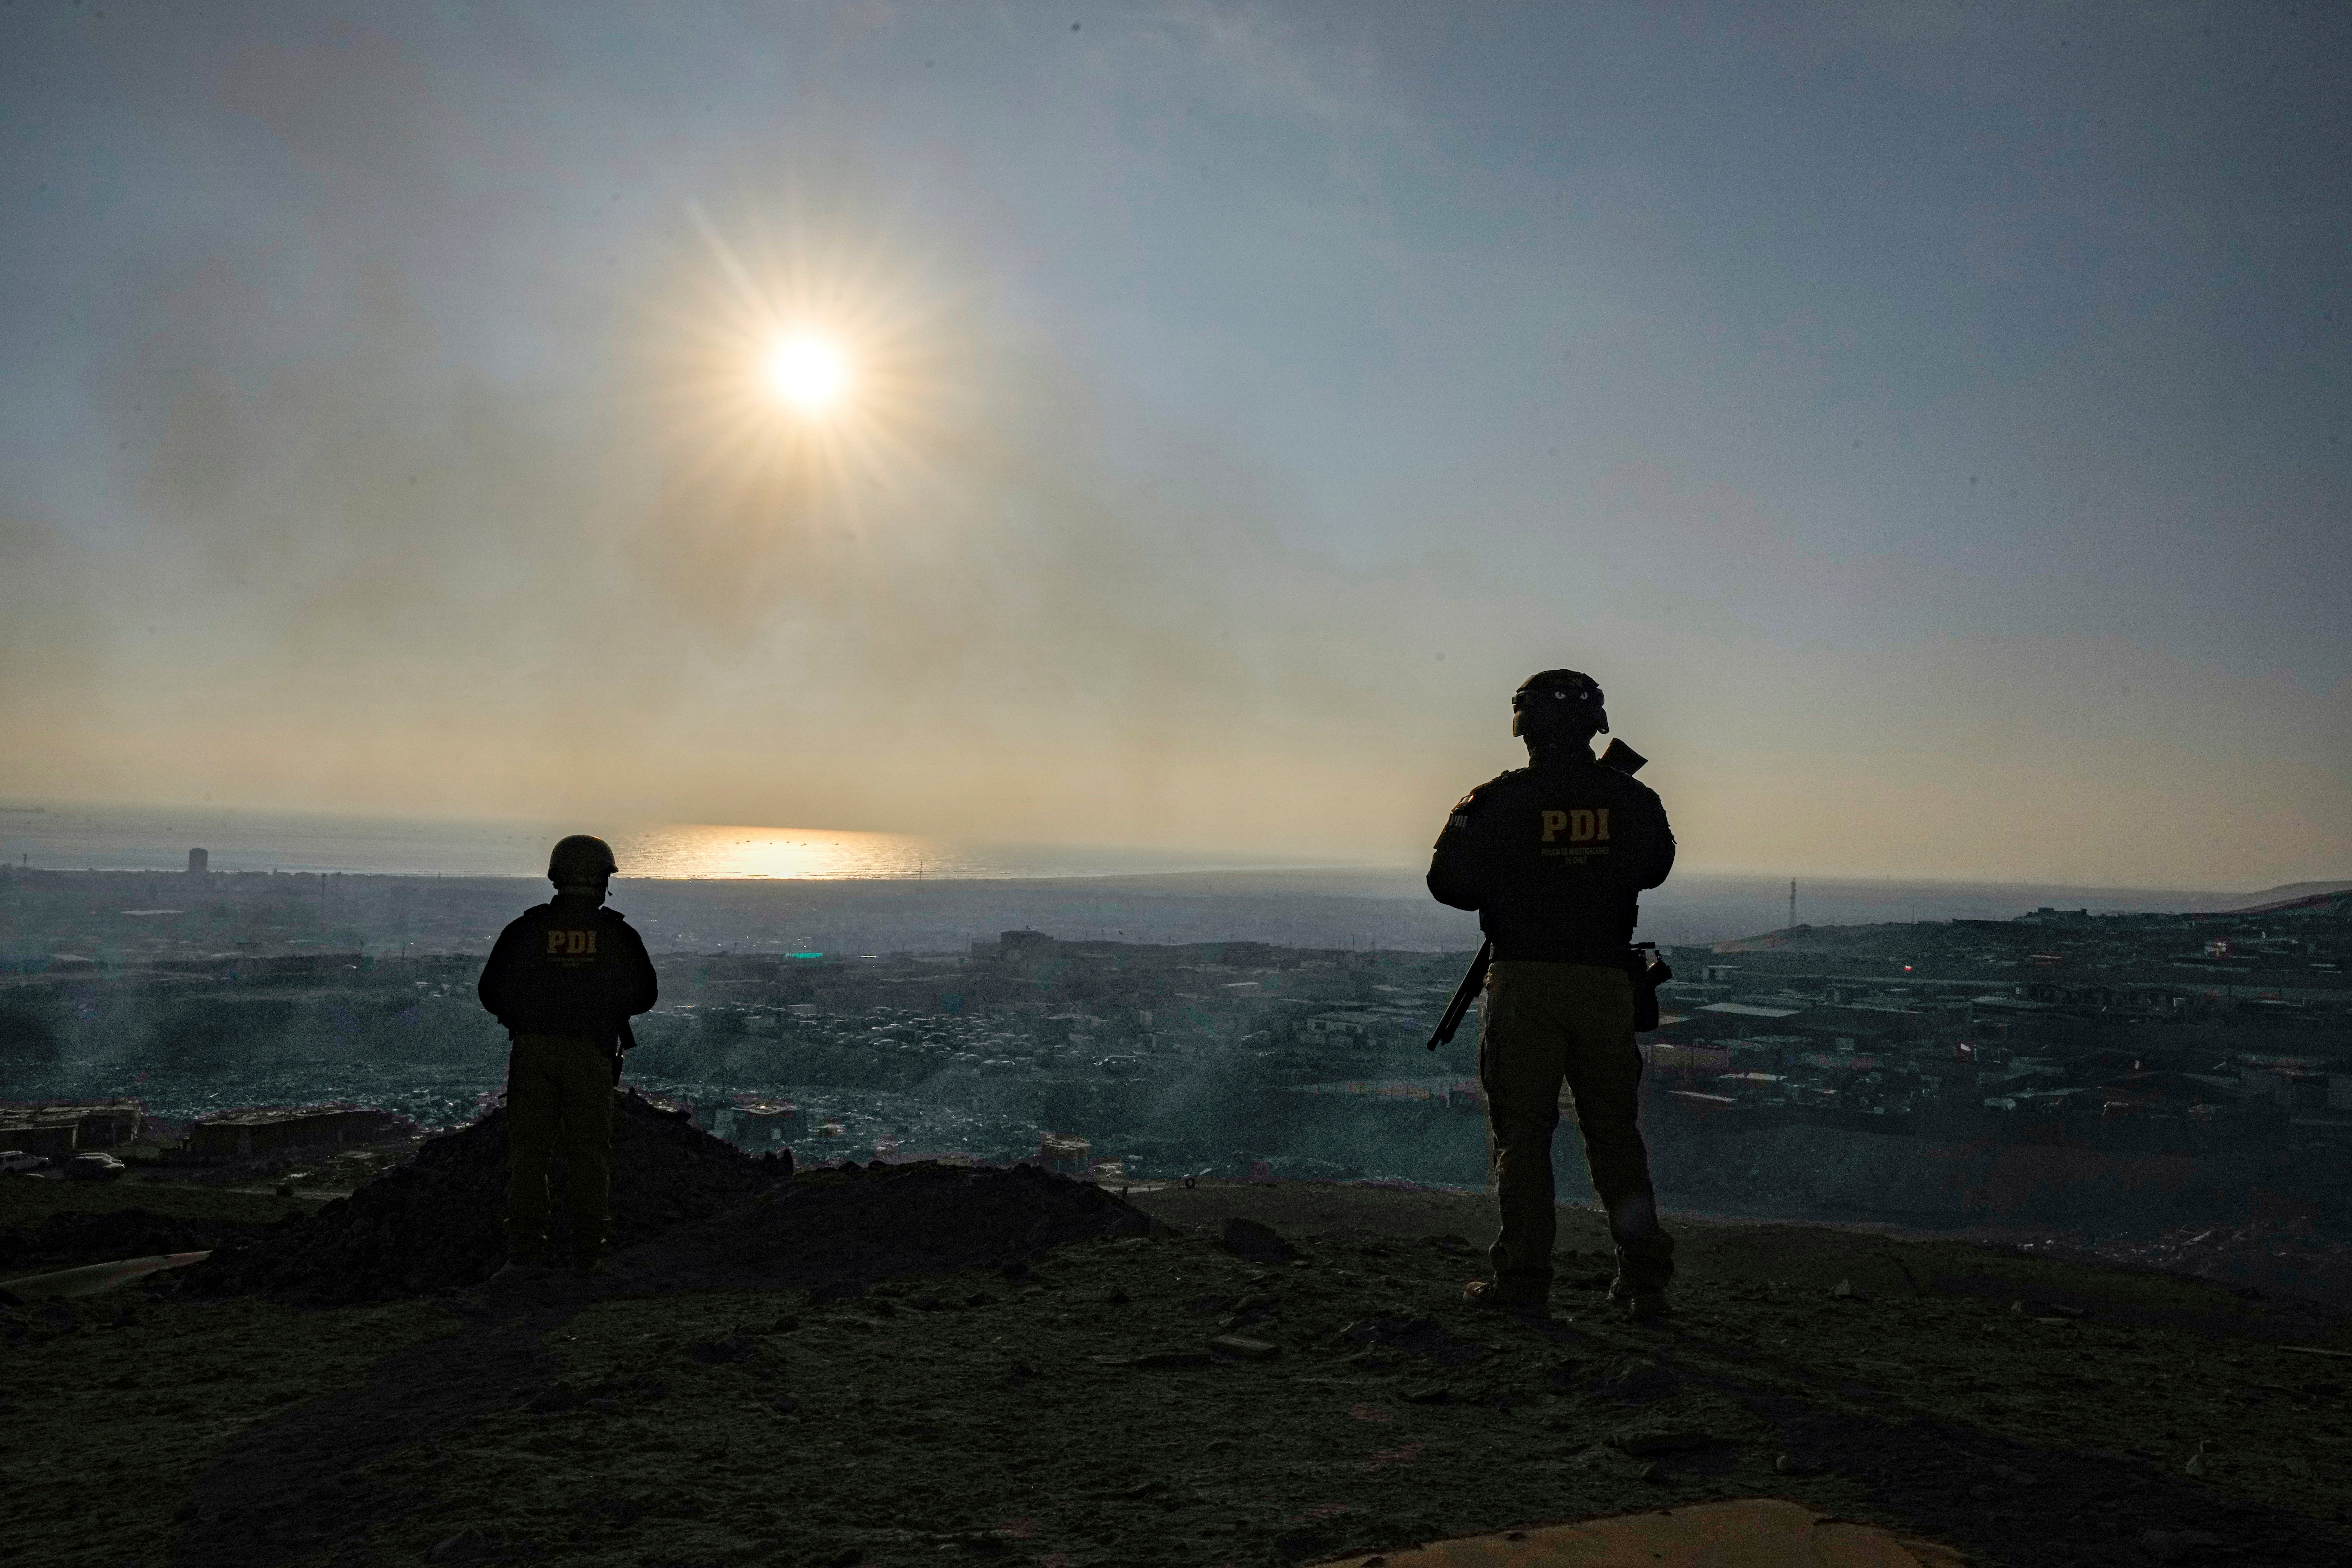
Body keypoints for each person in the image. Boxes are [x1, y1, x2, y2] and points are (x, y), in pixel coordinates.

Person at [1427, 669, 1679, 1320]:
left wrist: (1520, 879)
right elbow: (1655, 868)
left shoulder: (1496, 802)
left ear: (1525, 727)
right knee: (1615, 1135)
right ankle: (1645, 1284)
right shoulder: (1634, 800)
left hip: (1527, 984)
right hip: (1604, 985)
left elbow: (1448, 884)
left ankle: (1524, 1280)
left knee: (1523, 1136)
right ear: (1594, 726)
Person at [477, 834, 658, 1280]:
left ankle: (524, 1258)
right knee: (590, 1155)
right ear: (602, 880)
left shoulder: (527, 930)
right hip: (591, 1052)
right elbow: (645, 996)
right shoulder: (616, 934)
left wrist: (528, 1015)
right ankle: (588, 1258)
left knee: (529, 1154)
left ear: (557, 877)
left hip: (533, 1050)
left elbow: (490, 992)